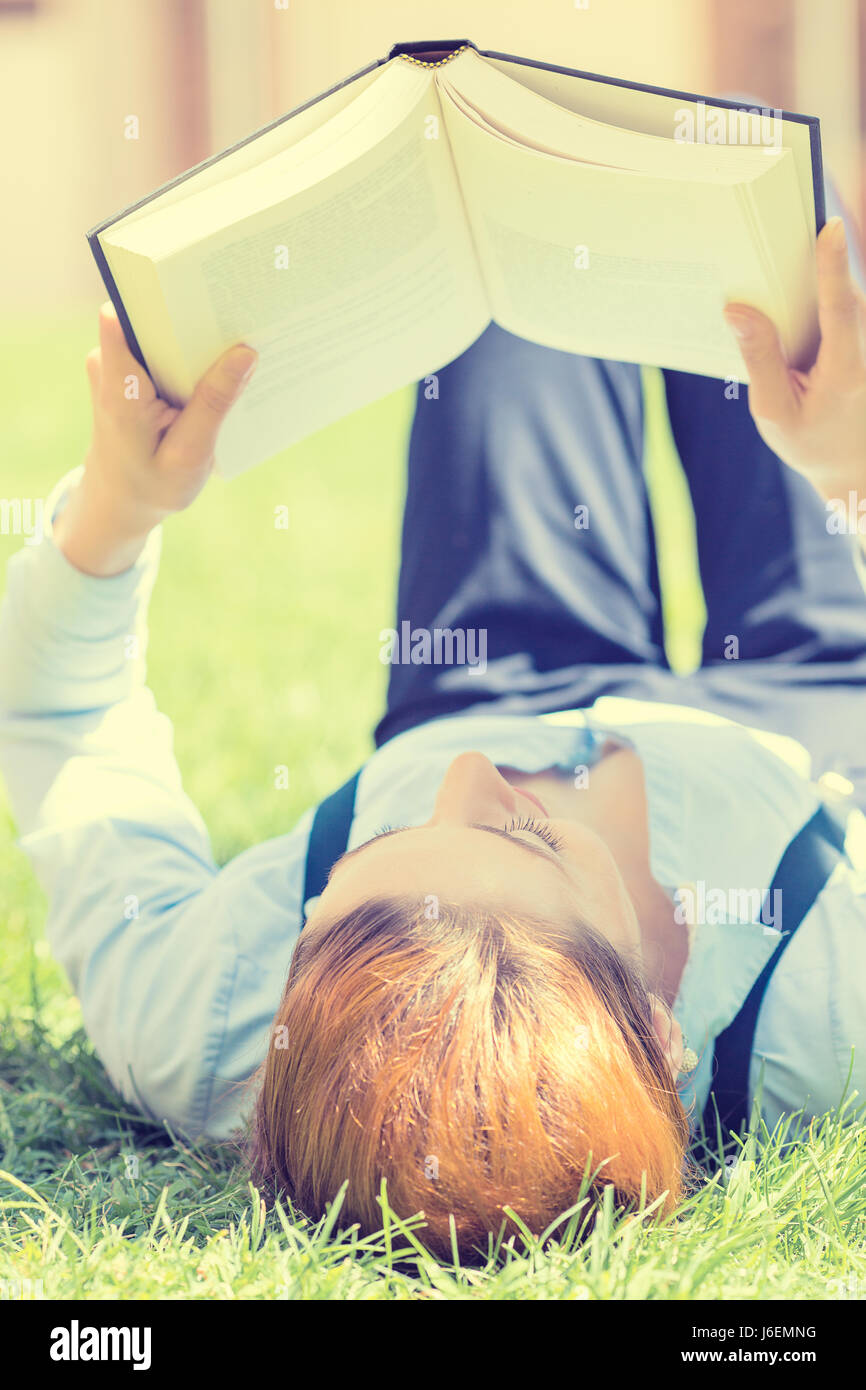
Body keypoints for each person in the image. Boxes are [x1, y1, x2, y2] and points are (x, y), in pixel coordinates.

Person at [1, 202, 864, 1266]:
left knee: (523, 267)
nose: (470, 774)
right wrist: (851, 477)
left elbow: (62, 721)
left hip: (492, 670)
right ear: (659, 1028)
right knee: (780, 269)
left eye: (380, 844)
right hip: (805, 711)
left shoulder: (214, 1013)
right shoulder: (828, 1011)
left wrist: (117, 512)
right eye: (531, 839)